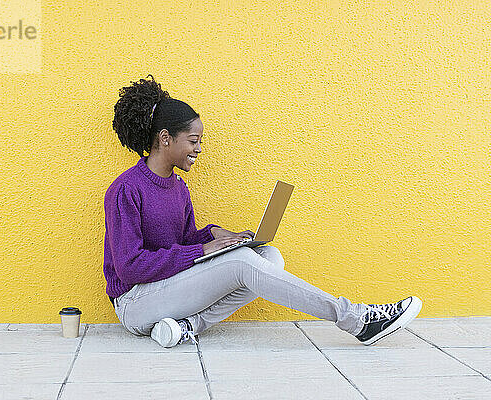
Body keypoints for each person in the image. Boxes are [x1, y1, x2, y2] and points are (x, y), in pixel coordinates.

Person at [103, 74, 422, 348]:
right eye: (193, 140)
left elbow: (183, 241)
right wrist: (204, 249)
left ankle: (187, 327)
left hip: (164, 294)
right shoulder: (126, 190)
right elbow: (131, 267)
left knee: (269, 257)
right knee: (243, 264)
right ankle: (355, 319)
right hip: (135, 303)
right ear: (165, 138)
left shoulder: (178, 188)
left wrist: (217, 236)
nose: (199, 149)